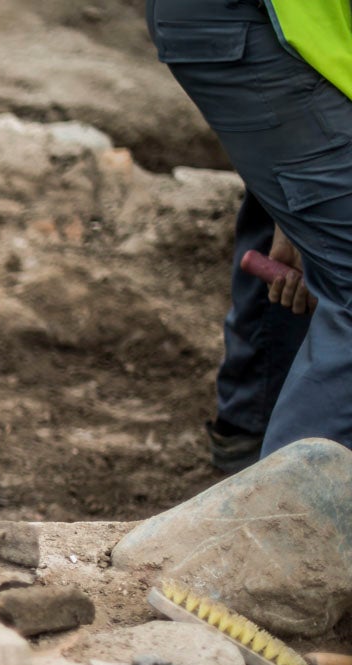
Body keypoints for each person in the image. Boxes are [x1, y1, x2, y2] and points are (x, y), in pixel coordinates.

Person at [146, 0, 352, 471]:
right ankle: (287, 522)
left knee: (327, 226)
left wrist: (300, 218)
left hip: (259, 22)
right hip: (268, 24)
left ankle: (252, 433)